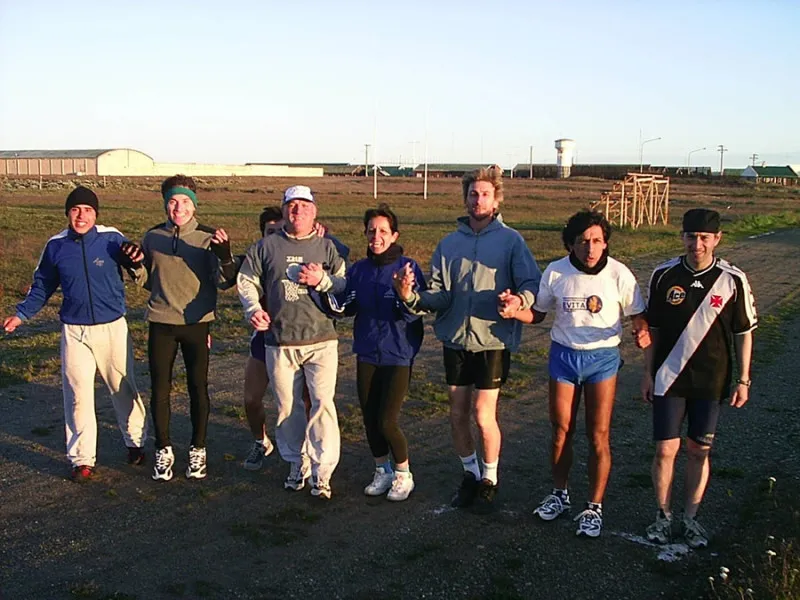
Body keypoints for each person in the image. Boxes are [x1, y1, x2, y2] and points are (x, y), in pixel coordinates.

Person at [393, 165, 541, 513]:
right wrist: (410, 296)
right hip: (456, 341)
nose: (478, 200)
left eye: (485, 194)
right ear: (465, 198)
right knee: (457, 413)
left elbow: (531, 284)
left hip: (493, 340)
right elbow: (441, 295)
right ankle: (471, 474)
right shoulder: (449, 244)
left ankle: (490, 478)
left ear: (496, 198)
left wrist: (519, 302)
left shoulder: (512, 241)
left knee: (482, 413)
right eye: (473, 194)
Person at [499, 210, 649, 537]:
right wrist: (514, 311)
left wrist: (641, 331)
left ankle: (594, 507)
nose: (591, 248)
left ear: (605, 242)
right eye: (583, 241)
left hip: (602, 359)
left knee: (598, 434)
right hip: (564, 357)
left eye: (597, 240)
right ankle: (560, 494)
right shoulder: (555, 272)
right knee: (560, 430)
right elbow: (537, 314)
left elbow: (638, 314)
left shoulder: (619, 274)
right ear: (571, 244)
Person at [2, 186, 147, 480]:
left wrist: (136, 260)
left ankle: (136, 443)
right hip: (74, 329)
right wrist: (21, 315)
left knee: (123, 388)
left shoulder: (111, 239)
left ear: (96, 214)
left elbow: (137, 269)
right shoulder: (56, 245)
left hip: (112, 327)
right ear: (68, 213)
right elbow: (42, 285)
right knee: (78, 395)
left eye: (88, 210)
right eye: (76, 210)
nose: (82, 216)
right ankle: (82, 459)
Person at [641, 208, 756, 549]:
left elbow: (743, 332)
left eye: (705, 237)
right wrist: (647, 373)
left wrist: (744, 379)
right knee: (665, 450)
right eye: (691, 237)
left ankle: (690, 519)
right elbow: (653, 331)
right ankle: (663, 517)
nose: (697, 244)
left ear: (717, 239)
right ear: (683, 237)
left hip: (711, 380)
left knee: (697, 451)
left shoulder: (732, 279)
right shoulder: (663, 275)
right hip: (669, 377)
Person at [122, 174, 237, 482]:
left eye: (185, 201)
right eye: (173, 201)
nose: (179, 207)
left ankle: (197, 449)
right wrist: (133, 264)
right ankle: (163, 449)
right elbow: (147, 281)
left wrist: (225, 255)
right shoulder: (152, 237)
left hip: (197, 324)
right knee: (160, 389)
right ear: (165, 204)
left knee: (197, 388)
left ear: (194, 204)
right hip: (161, 322)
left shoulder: (207, 236)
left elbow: (225, 282)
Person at [237, 185, 347, 500]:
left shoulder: (326, 246)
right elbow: (246, 281)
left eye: (304, 206)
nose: (297, 211)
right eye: (291, 206)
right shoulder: (265, 246)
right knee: (287, 408)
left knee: (323, 406)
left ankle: (322, 473)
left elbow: (343, 282)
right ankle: (296, 463)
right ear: (284, 210)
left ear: (315, 211)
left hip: (321, 340)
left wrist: (322, 281)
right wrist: (253, 310)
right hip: (279, 342)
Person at [345, 204, 425, 502]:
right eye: (371, 230)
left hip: (398, 354)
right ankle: (383, 470)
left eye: (382, 231)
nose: (376, 236)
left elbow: (416, 312)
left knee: (386, 420)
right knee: (368, 417)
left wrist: (404, 294)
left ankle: (404, 474)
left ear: (394, 235)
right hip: (367, 352)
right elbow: (345, 304)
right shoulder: (359, 270)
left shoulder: (408, 268)